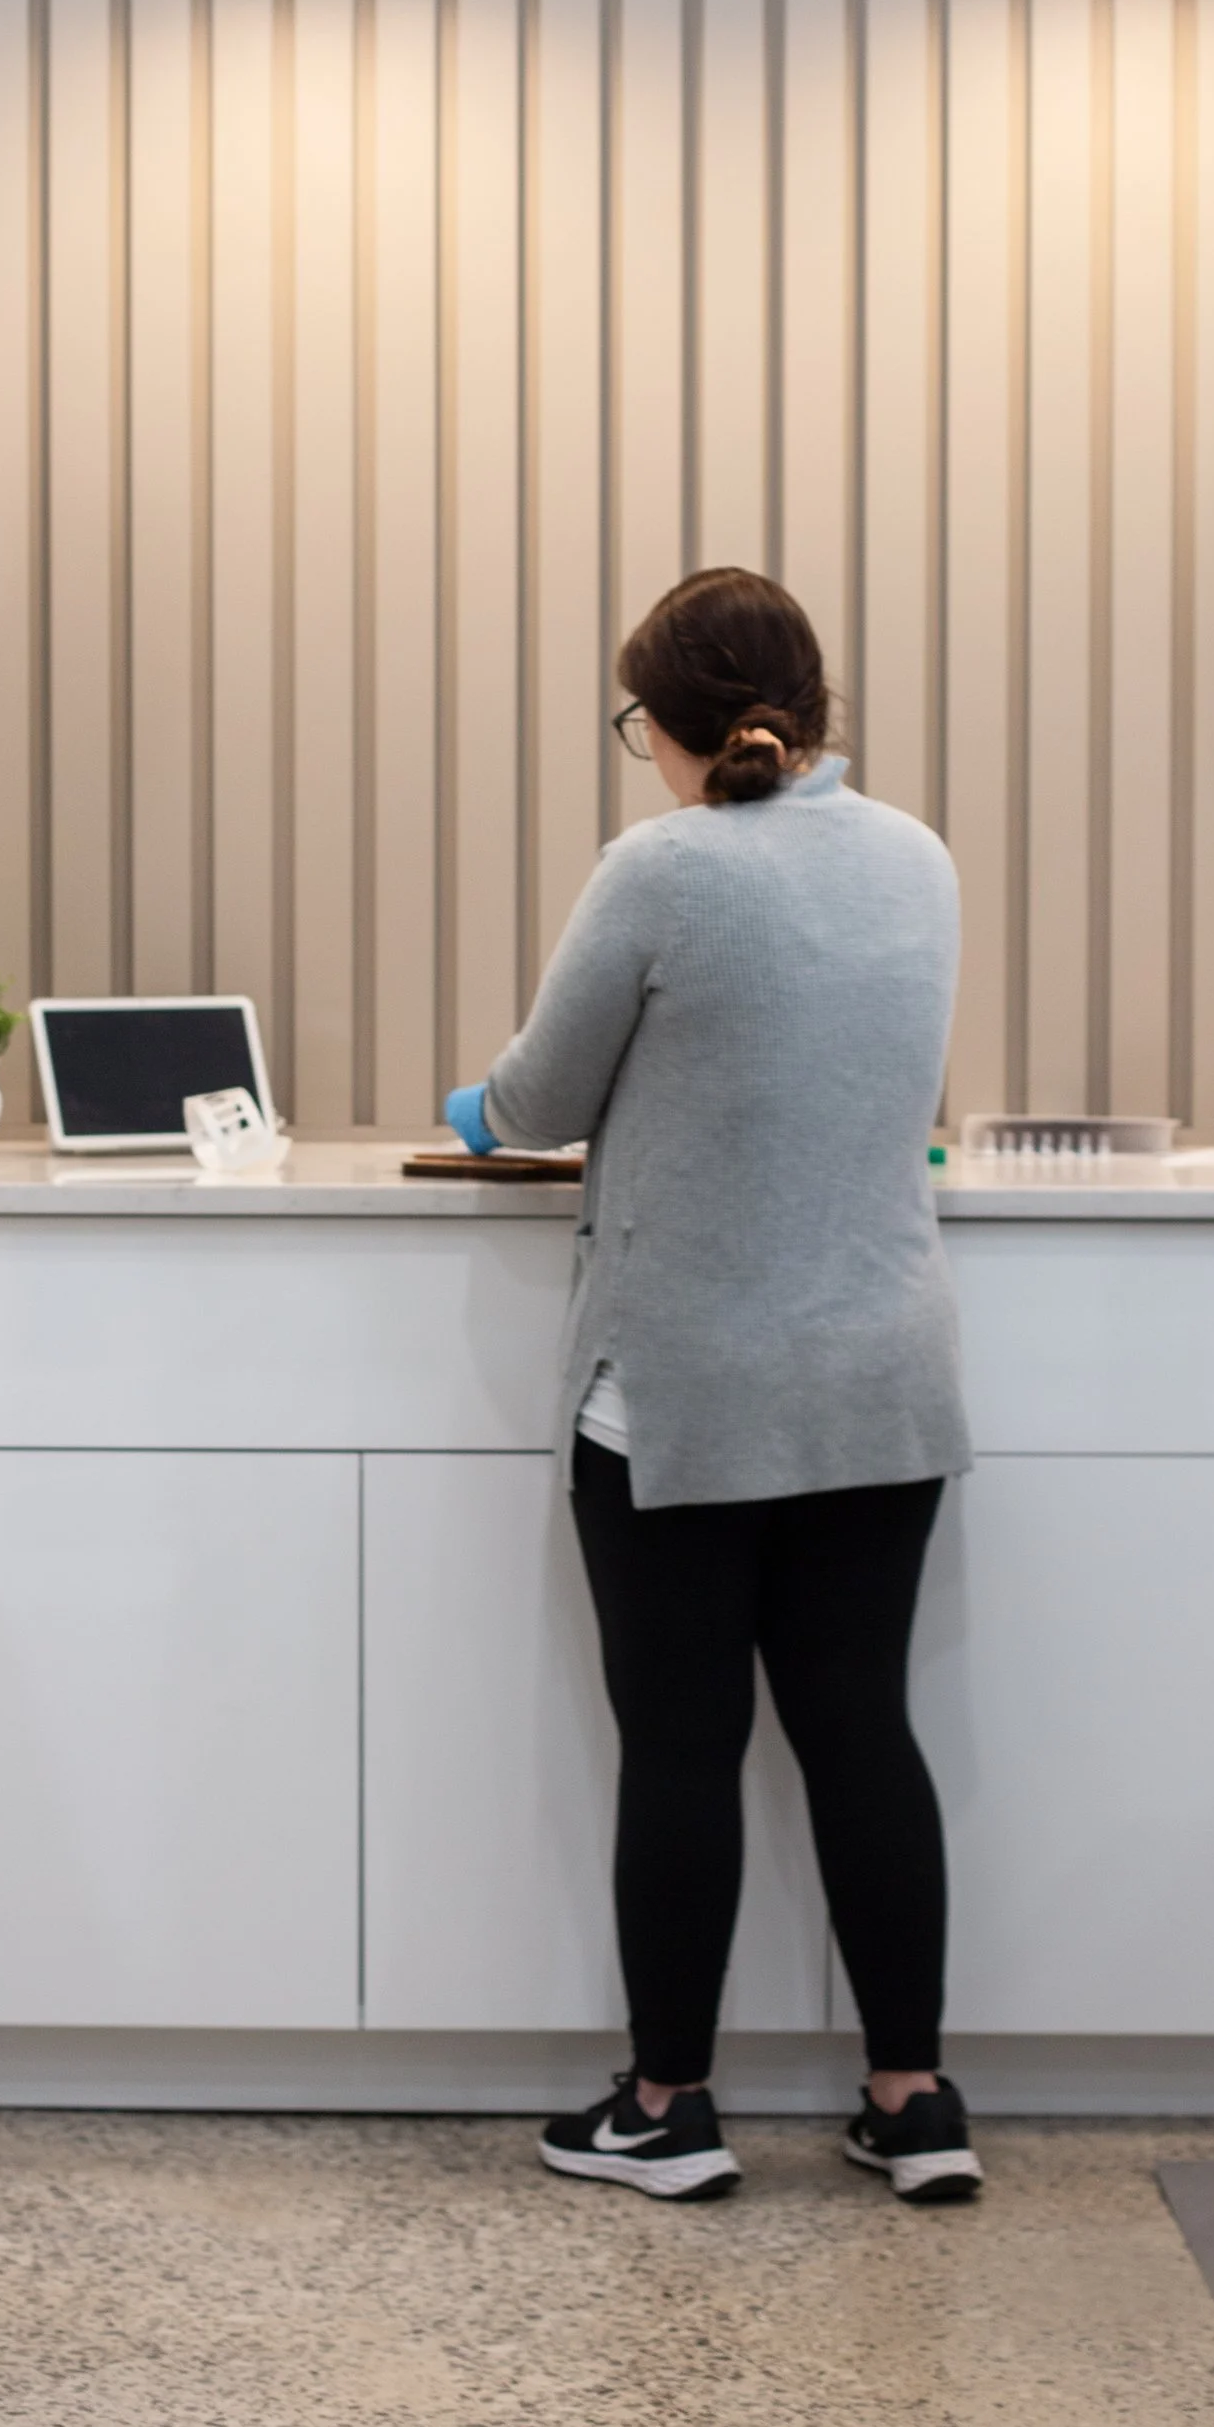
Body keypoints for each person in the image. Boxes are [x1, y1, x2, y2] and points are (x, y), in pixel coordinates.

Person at [442, 567, 980, 2209]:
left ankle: (666, 2108)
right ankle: (912, 2100)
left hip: (681, 1395)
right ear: (813, 706)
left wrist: (470, 1107)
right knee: (861, 1731)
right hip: (880, 1379)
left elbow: (538, 1095)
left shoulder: (662, 864)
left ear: (664, 722)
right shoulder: (918, 856)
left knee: (683, 1748)